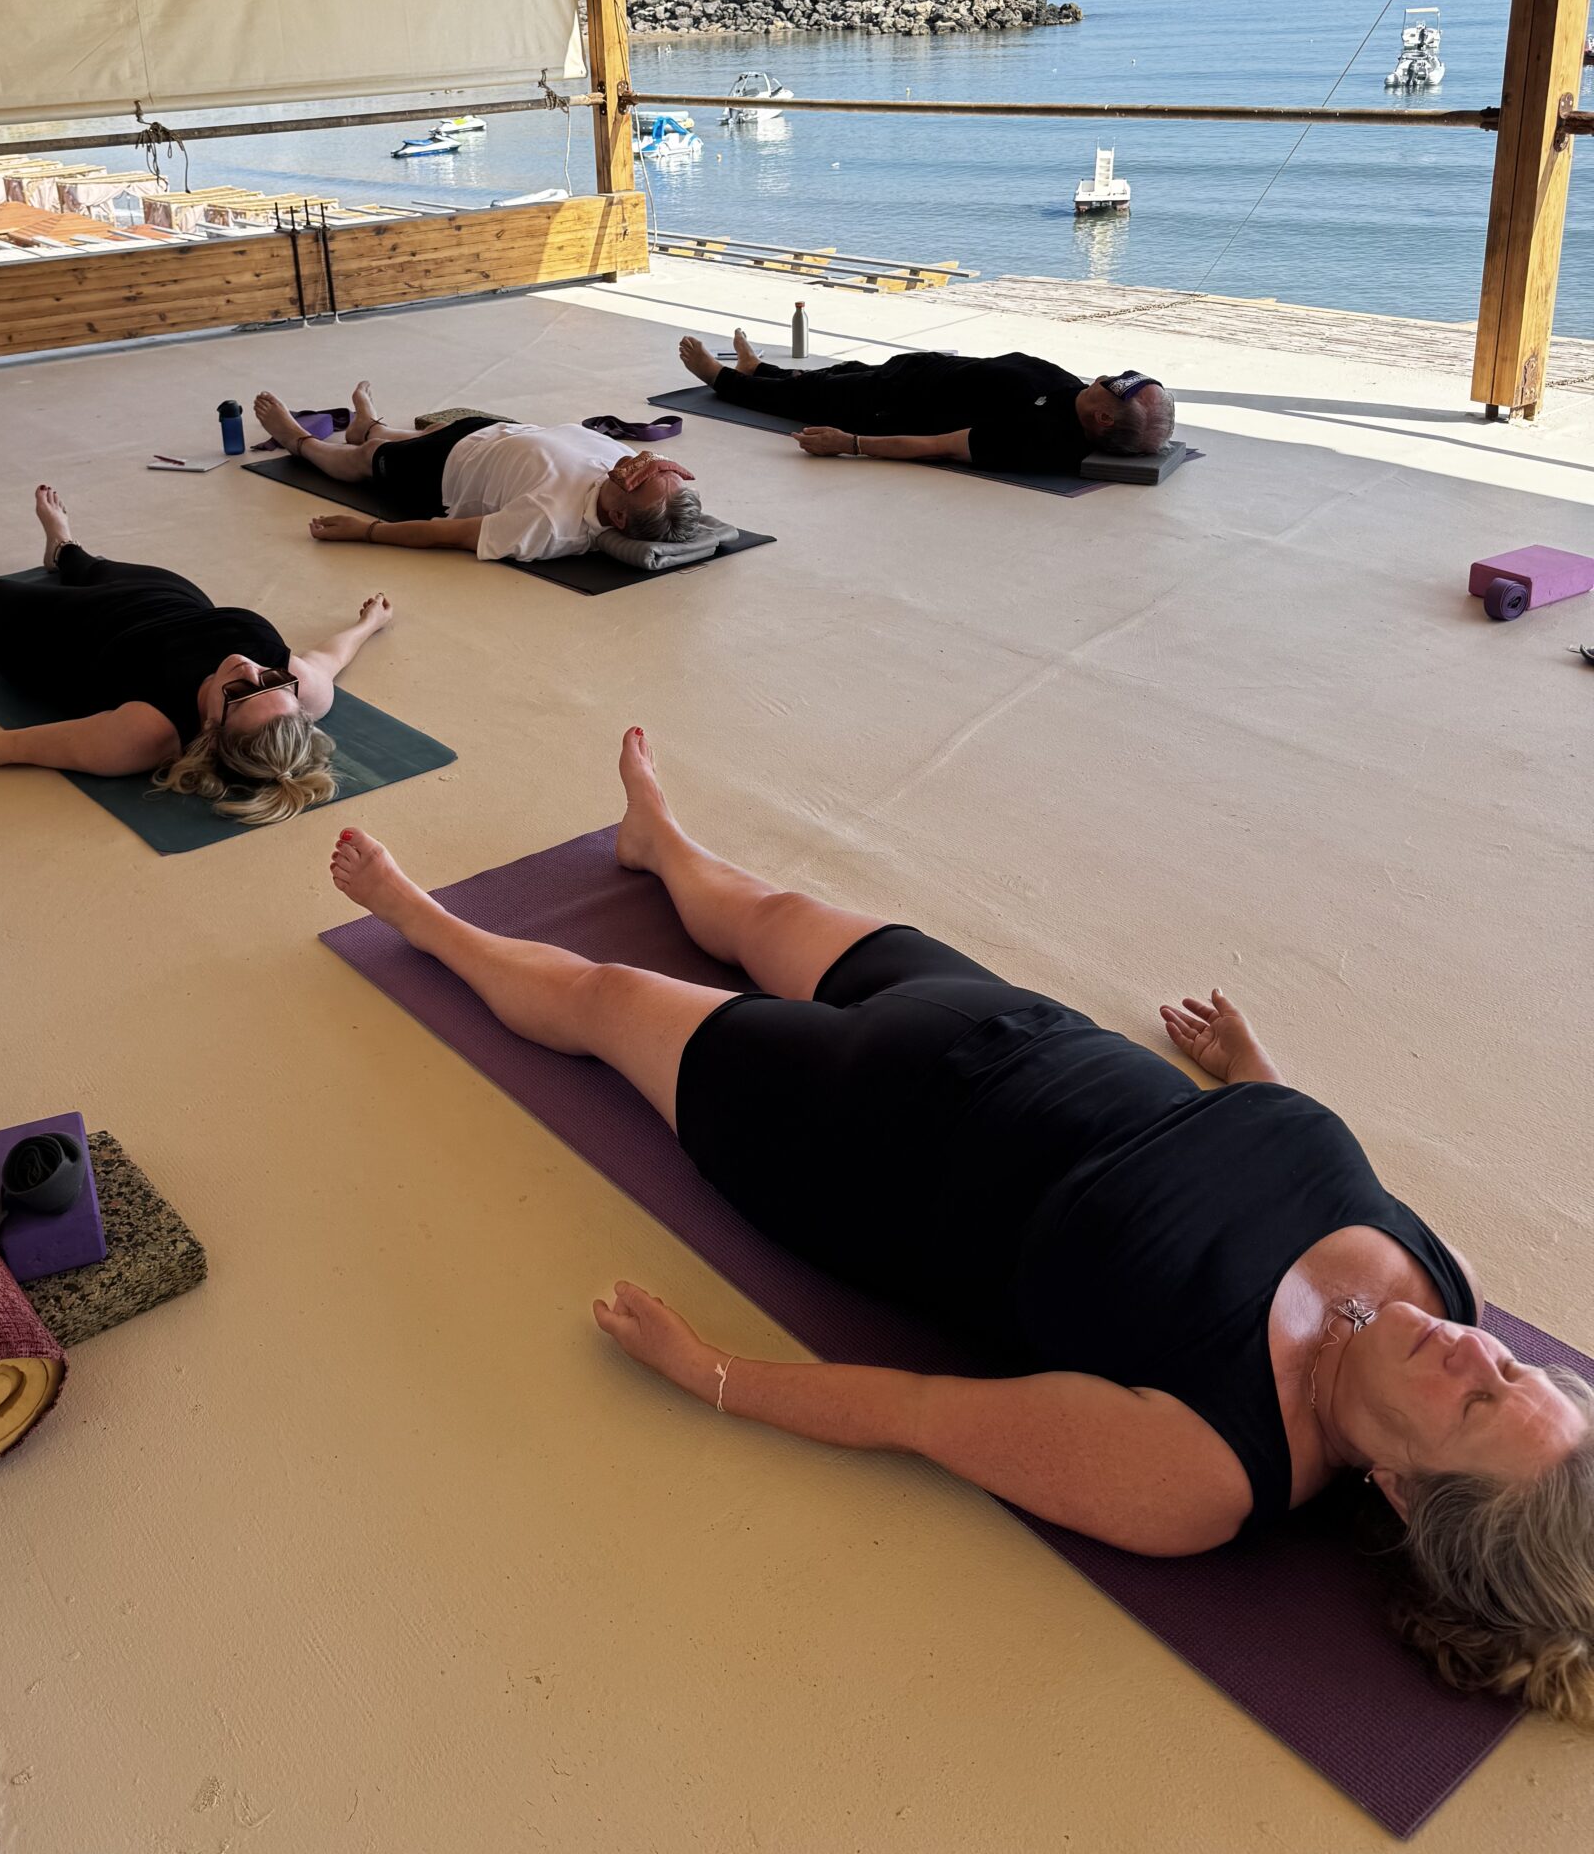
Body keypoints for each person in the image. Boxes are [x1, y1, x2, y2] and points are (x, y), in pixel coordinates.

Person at [327, 727, 1594, 1722]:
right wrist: (1251, 1069)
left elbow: (921, 1414)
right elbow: (1304, 1163)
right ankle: (659, 845)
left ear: (1405, 1491)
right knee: (771, 913)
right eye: (1521, 1371)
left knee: (610, 997)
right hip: (1020, 1027)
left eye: (1479, 1404)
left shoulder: (1207, 1472)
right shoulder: (1447, 1285)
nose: (1481, 1354)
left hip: (853, 1140)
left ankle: (426, 924)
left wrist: (707, 1369)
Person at [0, 485, 392, 827]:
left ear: (210, 728)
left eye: (241, 692)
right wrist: (369, 624)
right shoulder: (303, 690)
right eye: (271, 680)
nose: (249, 667)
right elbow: (331, 656)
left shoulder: (145, 736)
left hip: (65, 640)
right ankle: (63, 547)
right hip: (164, 603)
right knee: (91, 567)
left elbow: (11, 748)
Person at [255, 384, 701, 564]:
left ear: (619, 517)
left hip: (442, 472)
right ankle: (368, 426)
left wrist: (367, 531)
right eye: (653, 466)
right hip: (489, 434)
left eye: (638, 478)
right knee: (426, 432)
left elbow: (450, 535)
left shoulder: (549, 525)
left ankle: (300, 441)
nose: (637, 465)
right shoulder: (638, 483)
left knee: (366, 459)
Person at [680, 327, 1175, 474]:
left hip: (892, 405)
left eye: (1114, 384)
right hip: (918, 373)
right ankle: (757, 369)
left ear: (1104, 417)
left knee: (808, 395)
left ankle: (722, 378)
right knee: (837, 373)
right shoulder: (1081, 401)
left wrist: (851, 443)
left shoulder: (1038, 439)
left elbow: (941, 445)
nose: (1106, 376)